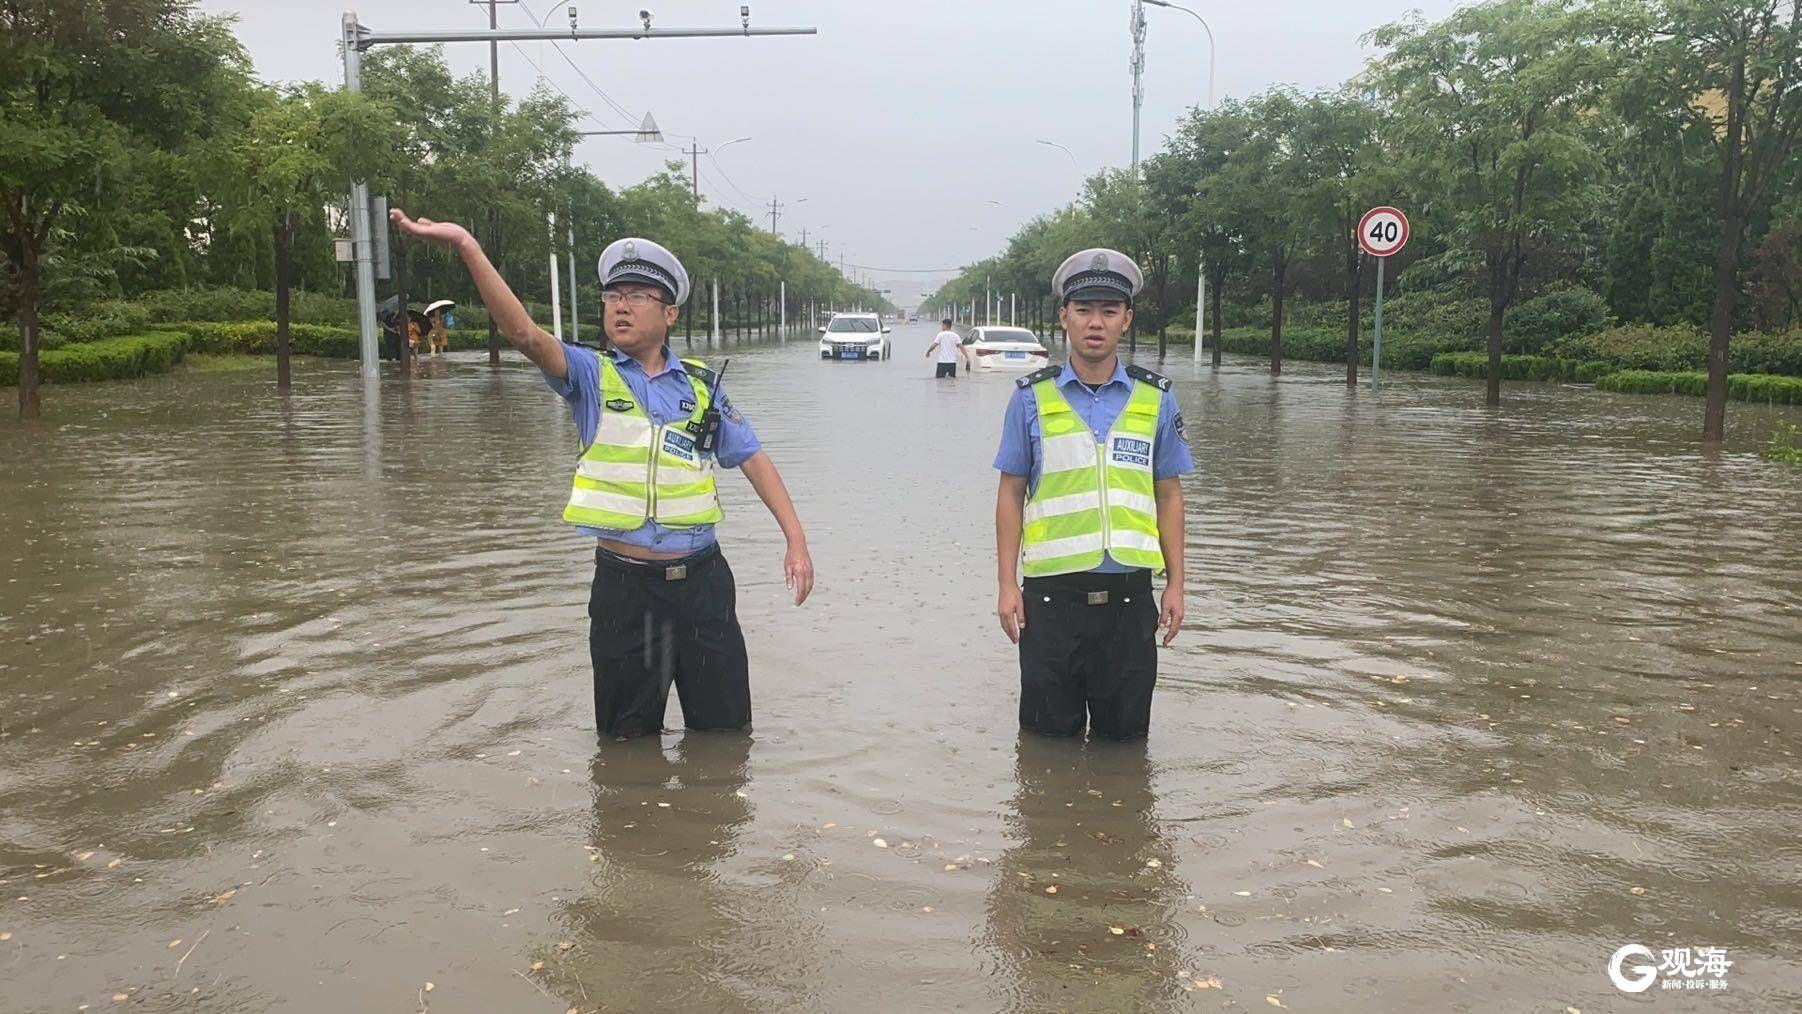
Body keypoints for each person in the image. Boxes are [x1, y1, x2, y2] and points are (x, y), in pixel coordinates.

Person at [388, 208, 816, 739]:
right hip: (626, 591)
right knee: (625, 747)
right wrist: (467, 245)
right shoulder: (591, 375)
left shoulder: (703, 387)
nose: (621, 306)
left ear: (671, 315)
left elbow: (752, 457)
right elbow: (523, 333)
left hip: (704, 588)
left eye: (638, 296)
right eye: (614, 296)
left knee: (726, 741)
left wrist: (795, 540)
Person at [992, 248, 1191, 741]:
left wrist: (1177, 584)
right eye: (1083, 310)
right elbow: (1010, 493)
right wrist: (1005, 585)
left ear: (1127, 319)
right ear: (1064, 318)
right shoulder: (1029, 398)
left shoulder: (1157, 399)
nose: (1095, 323)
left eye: (1108, 311)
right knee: (1044, 751)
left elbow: (1169, 495)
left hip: (1129, 604)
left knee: (1126, 748)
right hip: (1050, 604)